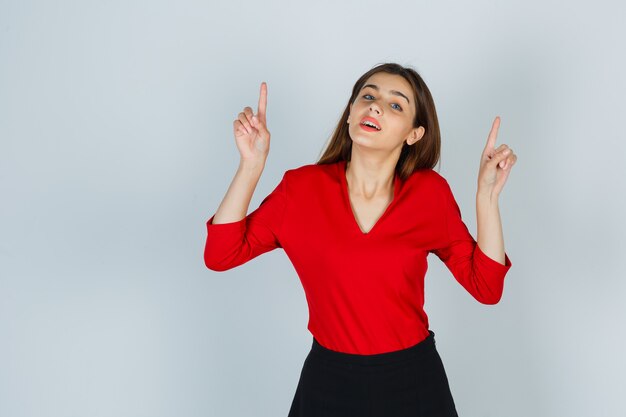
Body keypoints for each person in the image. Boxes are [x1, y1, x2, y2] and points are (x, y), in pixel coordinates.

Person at [204, 62, 517, 417]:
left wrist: (487, 198)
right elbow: (221, 254)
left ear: (414, 134)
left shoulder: (430, 194)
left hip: (414, 383)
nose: (375, 106)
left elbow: (486, 288)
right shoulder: (301, 190)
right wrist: (250, 165)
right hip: (328, 384)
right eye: (367, 96)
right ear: (350, 114)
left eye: (396, 104)